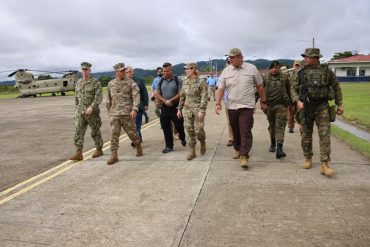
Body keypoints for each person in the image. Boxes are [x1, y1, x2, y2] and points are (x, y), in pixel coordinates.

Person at [291, 48, 344, 177]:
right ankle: (308, 157)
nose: (305, 59)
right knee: (306, 135)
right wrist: (297, 101)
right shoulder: (301, 73)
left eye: (307, 57)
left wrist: (340, 104)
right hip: (306, 107)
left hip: (322, 106)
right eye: (305, 57)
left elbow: (336, 86)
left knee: (325, 135)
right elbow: (293, 89)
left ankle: (324, 163)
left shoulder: (326, 71)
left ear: (315, 58)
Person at [215, 48, 266, 168]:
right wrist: (217, 103)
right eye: (229, 58)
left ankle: (244, 155)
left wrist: (263, 101)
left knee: (245, 130)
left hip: (247, 106)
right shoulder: (226, 71)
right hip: (231, 106)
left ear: (240, 57)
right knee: (236, 130)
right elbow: (220, 88)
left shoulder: (251, 68)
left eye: (232, 57)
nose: (230, 60)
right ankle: (237, 149)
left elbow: (260, 85)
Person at [106, 63, 143, 165]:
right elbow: (109, 99)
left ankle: (138, 145)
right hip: (115, 114)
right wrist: (110, 112)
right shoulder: (111, 84)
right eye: (121, 71)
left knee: (132, 134)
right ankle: (114, 155)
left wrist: (135, 109)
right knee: (114, 134)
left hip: (127, 113)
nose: (123, 72)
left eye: (124, 70)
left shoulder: (131, 83)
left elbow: (136, 96)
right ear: (116, 72)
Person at [69, 62, 103, 161]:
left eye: (86, 69)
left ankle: (99, 149)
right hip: (80, 111)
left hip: (92, 112)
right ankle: (79, 153)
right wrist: (77, 110)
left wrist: (92, 107)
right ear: (81, 70)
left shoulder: (95, 82)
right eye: (83, 69)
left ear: (90, 70)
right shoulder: (79, 82)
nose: (85, 71)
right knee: (78, 131)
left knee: (95, 131)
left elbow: (99, 96)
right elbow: (76, 97)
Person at [177, 63, 208, 160]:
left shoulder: (201, 82)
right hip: (187, 109)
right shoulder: (185, 81)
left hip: (198, 109)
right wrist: (179, 109)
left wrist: (202, 110)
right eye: (185, 69)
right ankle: (192, 151)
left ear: (193, 69)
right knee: (189, 130)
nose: (185, 71)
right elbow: (182, 96)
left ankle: (202, 142)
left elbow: (204, 97)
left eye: (187, 69)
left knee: (199, 131)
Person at [154, 62, 186, 153]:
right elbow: (156, 93)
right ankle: (169, 146)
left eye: (167, 71)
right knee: (165, 126)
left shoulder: (177, 80)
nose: (165, 73)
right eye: (164, 71)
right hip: (165, 106)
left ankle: (182, 137)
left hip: (175, 106)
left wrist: (171, 100)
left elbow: (181, 93)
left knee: (179, 125)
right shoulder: (161, 80)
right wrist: (164, 101)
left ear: (171, 70)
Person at [263, 60, 292, 159]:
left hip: (282, 105)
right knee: (272, 126)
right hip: (269, 106)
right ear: (270, 68)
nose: (275, 69)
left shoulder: (284, 77)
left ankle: (279, 148)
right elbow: (260, 91)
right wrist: (260, 103)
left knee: (280, 126)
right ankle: (272, 143)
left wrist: (292, 104)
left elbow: (289, 91)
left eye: (277, 67)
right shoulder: (265, 78)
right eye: (273, 67)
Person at [126, 66, 149, 143]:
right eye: (127, 72)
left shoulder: (139, 81)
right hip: (127, 107)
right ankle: (138, 138)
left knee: (137, 125)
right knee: (131, 126)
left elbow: (144, 93)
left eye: (130, 72)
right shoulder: (124, 82)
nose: (129, 73)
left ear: (133, 72)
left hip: (138, 106)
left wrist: (146, 104)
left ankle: (136, 141)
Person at [287, 60, 303, 134]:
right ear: (293, 65)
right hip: (291, 95)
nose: (297, 67)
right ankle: (290, 127)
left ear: (300, 66)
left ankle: (301, 127)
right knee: (291, 112)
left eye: (298, 65)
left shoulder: (303, 74)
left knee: (301, 112)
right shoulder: (289, 73)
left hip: (301, 96)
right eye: (295, 65)